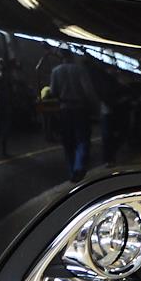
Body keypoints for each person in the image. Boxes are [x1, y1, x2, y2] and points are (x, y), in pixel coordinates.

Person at [49, 50, 93, 182]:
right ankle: (79, 166)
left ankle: (72, 171)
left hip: (64, 109)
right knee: (82, 139)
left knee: (68, 142)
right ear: (72, 57)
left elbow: (53, 91)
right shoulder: (79, 70)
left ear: (61, 57)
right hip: (80, 108)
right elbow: (87, 90)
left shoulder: (55, 71)